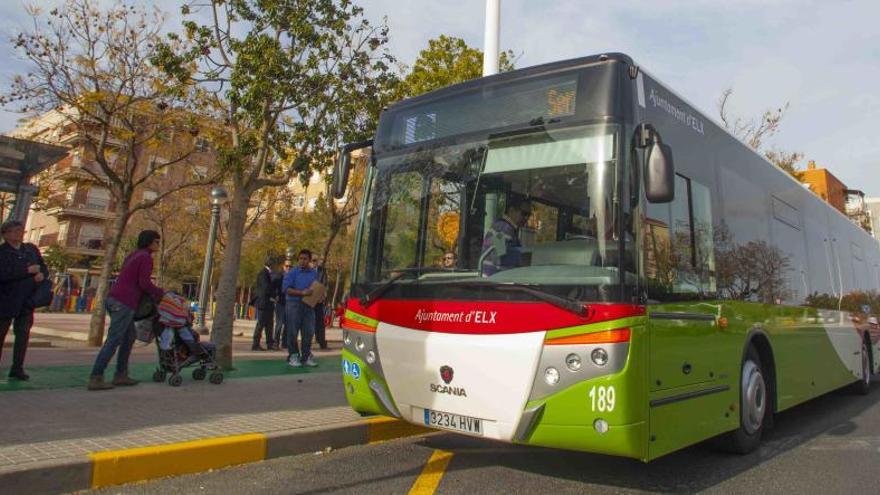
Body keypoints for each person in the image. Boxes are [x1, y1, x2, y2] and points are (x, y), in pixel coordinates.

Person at [88, 230, 165, 390]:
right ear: (150, 242)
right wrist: (160, 293)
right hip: (124, 302)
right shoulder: (145, 258)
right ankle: (96, 376)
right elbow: (144, 283)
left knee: (129, 336)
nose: (158, 245)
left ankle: (121, 374)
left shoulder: (134, 255)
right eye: (157, 241)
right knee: (114, 339)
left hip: (116, 299)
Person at [0, 220, 48, 381]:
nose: (18, 234)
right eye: (14, 231)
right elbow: (3, 274)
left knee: (23, 335)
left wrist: (42, 274)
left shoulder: (30, 250)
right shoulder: (3, 253)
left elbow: (42, 266)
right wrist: (25, 270)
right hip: (6, 300)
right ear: (6, 234)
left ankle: (17, 368)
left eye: (20, 231)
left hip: (27, 301)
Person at [283, 249, 319, 367]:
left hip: (309, 306)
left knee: (308, 332)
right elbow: (286, 289)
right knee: (292, 331)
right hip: (294, 305)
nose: (302, 261)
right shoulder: (292, 272)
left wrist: (320, 295)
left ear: (309, 260)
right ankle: (293, 355)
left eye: (305, 259)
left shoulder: (313, 273)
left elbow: (317, 287)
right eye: (300, 259)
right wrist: (302, 292)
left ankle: (306, 356)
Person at [480, 197, 532, 276]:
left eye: (529, 215)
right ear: (511, 211)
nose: (527, 218)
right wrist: (523, 258)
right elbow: (498, 256)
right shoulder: (502, 228)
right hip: (494, 279)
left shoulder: (507, 228)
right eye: (524, 214)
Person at [251, 256, 276, 351]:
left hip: (267, 303)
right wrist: (273, 295)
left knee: (269, 324)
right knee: (261, 324)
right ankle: (255, 344)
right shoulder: (263, 274)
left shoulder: (266, 273)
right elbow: (266, 288)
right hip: (264, 302)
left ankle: (270, 343)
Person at [311, 254, 329, 350]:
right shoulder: (306, 271)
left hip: (319, 300)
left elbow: (325, 283)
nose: (314, 262)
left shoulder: (322, 270)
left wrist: (322, 295)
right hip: (309, 299)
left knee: (320, 322)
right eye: (312, 260)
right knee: (309, 321)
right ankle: (309, 340)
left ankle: (321, 341)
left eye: (315, 260)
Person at [272, 259, 291, 350]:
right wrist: (276, 295)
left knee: (287, 324)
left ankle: (285, 342)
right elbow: (273, 286)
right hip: (281, 303)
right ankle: (276, 342)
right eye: (287, 266)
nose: (288, 268)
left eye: (290, 266)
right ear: (283, 267)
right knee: (279, 324)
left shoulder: (292, 277)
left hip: (290, 303)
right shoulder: (279, 276)